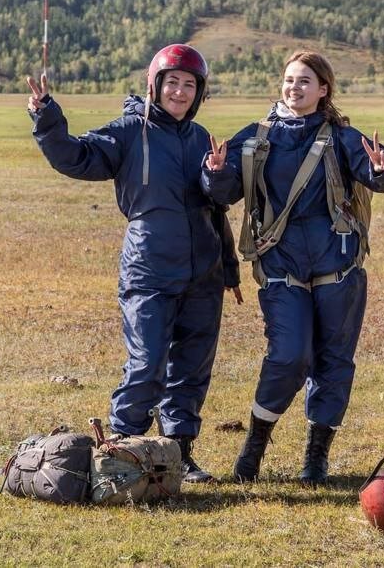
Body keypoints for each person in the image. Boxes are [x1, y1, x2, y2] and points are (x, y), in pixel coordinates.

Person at [24, 44, 241, 484]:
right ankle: (121, 455)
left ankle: (178, 455)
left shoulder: (201, 138)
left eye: (190, 85)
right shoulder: (128, 132)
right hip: (149, 269)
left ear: (199, 93)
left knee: (192, 368)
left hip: (203, 274)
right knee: (147, 362)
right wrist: (46, 116)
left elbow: (218, 205)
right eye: (172, 82)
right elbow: (76, 156)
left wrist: (219, 179)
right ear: (155, 85)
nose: (180, 92)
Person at [202, 51, 384, 486]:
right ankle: (254, 445)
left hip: (339, 268)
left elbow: (383, 172)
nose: (295, 88)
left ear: (324, 89)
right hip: (281, 266)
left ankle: (316, 455)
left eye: (305, 81)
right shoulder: (255, 137)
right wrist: (215, 174)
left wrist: (382, 168)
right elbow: (225, 190)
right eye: (290, 80)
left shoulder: (342, 138)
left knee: (334, 362)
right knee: (289, 355)